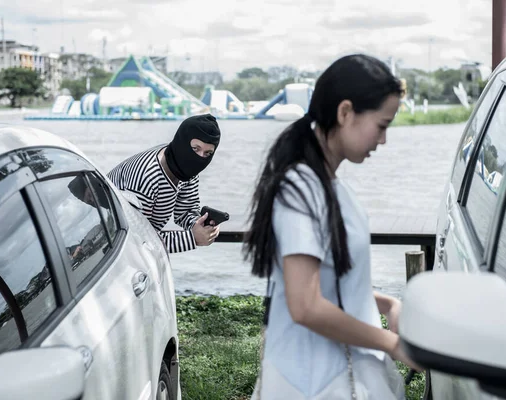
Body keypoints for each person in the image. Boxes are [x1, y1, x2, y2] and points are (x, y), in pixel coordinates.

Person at [243, 54, 420, 400]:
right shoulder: (300, 189)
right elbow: (306, 304)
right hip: (315, 381)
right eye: (382, 126)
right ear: (345, 113)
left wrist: (387, 305)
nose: (383, 140)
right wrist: (394, 343)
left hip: (337, 372)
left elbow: (325, 282)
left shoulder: (327, 185)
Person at [107, 114, 221, 253]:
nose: (200, 158)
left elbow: (185, 211)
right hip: (105, 240)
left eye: (208, 153)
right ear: (182, 142)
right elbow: (137, 240)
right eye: (195, 148)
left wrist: (201, 225)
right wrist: (192, 239)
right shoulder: (147, 176)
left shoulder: (183, 166)